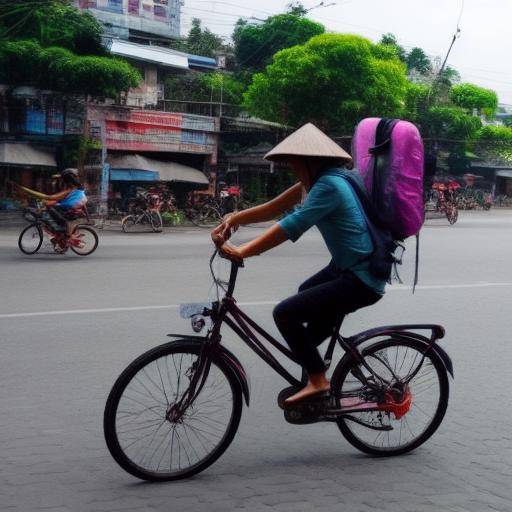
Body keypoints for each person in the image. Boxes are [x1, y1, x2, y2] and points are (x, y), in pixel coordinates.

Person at [211, 123, 386, 406]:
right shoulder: (322, 180)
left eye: (295, 165)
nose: (293, 170)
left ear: (310, 162)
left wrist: (243, 252)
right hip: (349, 268)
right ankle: (316, 376)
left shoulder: (328, 186)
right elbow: (273, 208)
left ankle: (318, 381)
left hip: (361, 278)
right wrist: (233, 219)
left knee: (285, 314)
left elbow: (290, 225)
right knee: (306, 293)